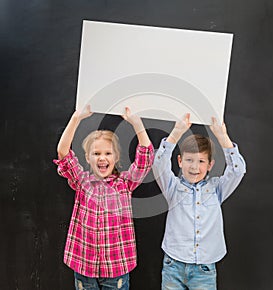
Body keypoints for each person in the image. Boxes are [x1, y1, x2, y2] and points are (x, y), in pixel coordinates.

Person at [53, 105, 154, 290]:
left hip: (116, 269)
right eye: (96, 154)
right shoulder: (82, 181)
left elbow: (145, 159)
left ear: (116, 157)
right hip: (84, 266)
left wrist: (137, 123)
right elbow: (63, 153)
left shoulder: (125, 183)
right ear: (88, 157)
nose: (102, 158)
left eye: (108, 153)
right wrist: (76, 118)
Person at [152, 113, 246, 290]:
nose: (194, 167)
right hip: (174, 264)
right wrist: (177, 132)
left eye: (201, 161)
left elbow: (238, 170)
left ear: (210, 165)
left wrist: (222, 136)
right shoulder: (172, 187)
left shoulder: (217, 189)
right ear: (180, 161)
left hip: (204, 269)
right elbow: (158, 165)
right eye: (189, 160)